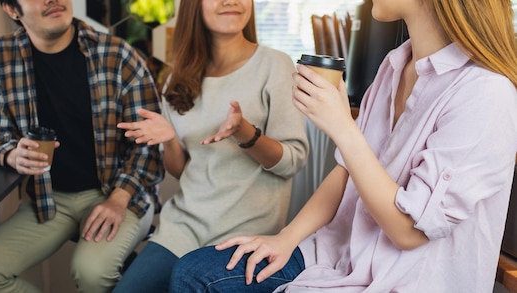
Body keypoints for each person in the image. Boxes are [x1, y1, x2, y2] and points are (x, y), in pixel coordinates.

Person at [169, 0, 517, 292]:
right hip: (336, 253)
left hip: (407, 278)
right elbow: (344, 173)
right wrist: (285, 238)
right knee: (192, 272)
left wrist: (341, 127)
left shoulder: (486, 93)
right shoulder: (395, 66)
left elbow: (409, 232)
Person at [0, 0, 164, 292]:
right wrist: (11, 154)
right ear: (12, 9)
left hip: (120, 192)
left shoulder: (117, 55)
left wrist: (118, 200)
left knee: (91, 271)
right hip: (49, 198)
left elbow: (149, 145)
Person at [112, 0, 310, 292]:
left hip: (242, 235)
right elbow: (182, 171)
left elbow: (293, 161)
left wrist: (245, 133)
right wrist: (169, 140)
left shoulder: (275, 65)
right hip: (181, 229)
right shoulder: (177, 80)